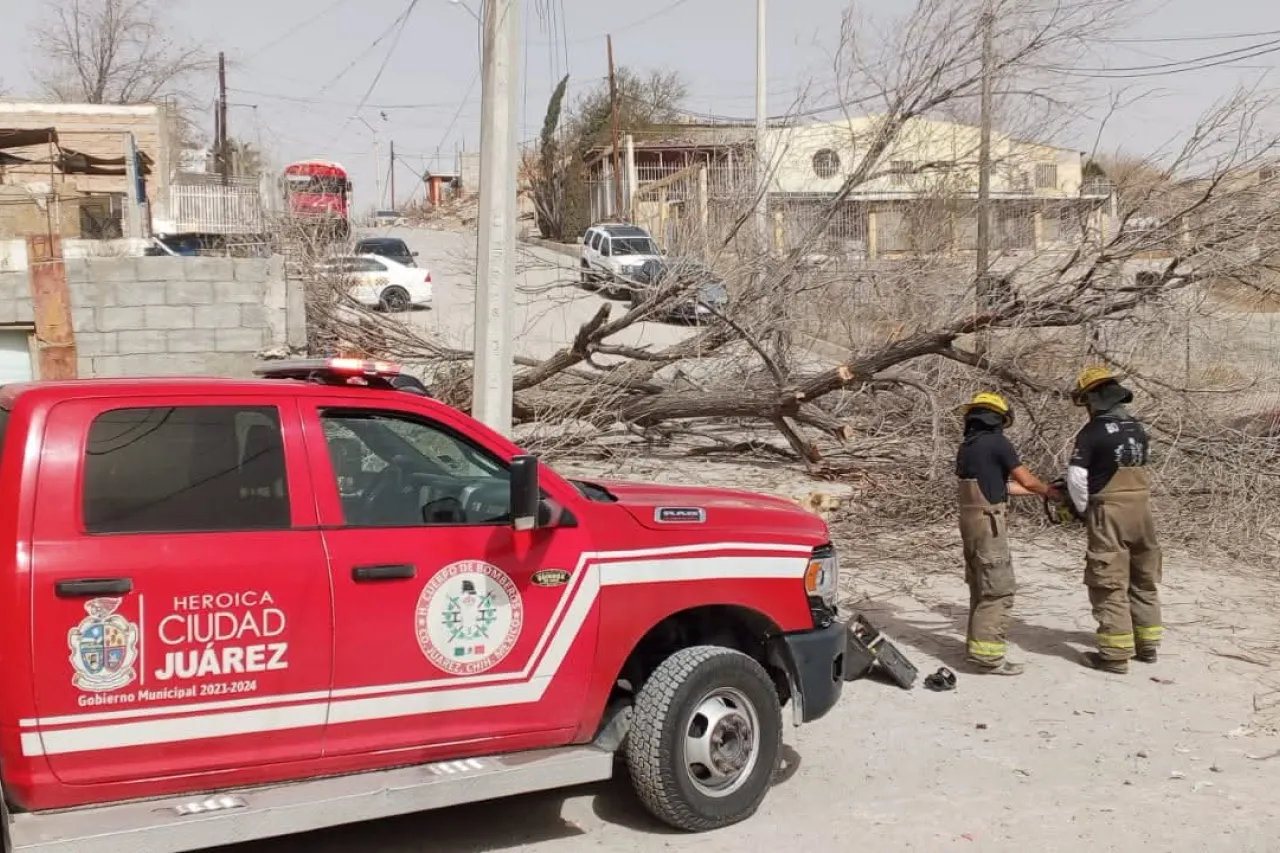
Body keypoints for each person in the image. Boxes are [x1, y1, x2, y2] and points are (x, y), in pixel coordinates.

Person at [1066, 367, 1162, 675]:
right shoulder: (1136, 428)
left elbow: (1077, 478)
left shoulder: (1091, 433)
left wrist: (1082, 511)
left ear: (1093, 400)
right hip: (1142, 512)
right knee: (1143, 578)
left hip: (1109, 512)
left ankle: (1114, 655)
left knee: (1108, 581)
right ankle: (1147, 644)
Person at [954, 392, 1058, 676]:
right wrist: (1048, 490)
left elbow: (1000, 487)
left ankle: (975, 648)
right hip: (990, 525)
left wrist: (1045, 492)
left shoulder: (967, 447)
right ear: (1000, 418)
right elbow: (1024, 479)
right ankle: (988, 658)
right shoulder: (998, 442)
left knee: (980, 584)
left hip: (970, 522)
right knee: (998, 589)